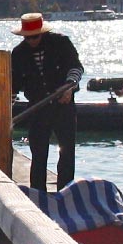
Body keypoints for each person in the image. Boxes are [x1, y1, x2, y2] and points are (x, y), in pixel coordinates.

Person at [10, 12, 83, 192]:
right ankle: (38, 194)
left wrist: (69, 86)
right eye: (28, 37)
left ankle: (65, 194)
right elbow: (14, 84)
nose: (32, 41)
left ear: (42, 33)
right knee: (38, 154)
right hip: (37, 108)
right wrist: (6, 106)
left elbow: (76, 68)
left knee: (67, 153)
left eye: (35, 37)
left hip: (63, 106)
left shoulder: (61, 43)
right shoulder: (18, 54)